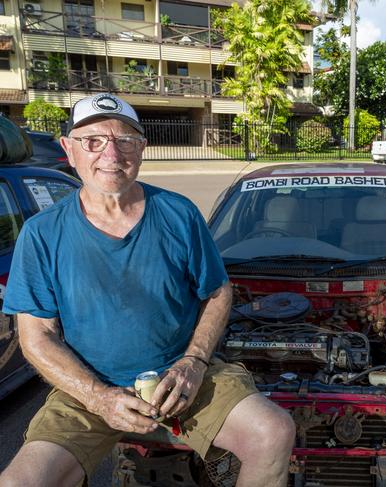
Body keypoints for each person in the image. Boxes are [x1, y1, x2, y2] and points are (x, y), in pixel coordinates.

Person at [0, 93, 295, 487]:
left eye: (125, 140)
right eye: (93, 141)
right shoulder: (42, 233)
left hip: (181, 377)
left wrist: (193, 363)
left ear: (141, 150)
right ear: (70, 150)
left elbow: (217, 292)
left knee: (272, 432)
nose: (111, 152)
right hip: (88, 389)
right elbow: (36, 336)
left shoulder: (179, 212)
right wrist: (98, 396)